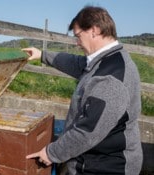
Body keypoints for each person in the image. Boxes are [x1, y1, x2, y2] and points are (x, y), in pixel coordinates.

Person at [23, 6, 143, 175]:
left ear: (94, 30)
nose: (77, 43)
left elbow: (87, 133)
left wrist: (52, 153)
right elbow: (75, 63)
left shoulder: (109, 80)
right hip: (98, 160)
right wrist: (42, 55)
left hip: (104, 167)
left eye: (78, 36)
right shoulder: (107, 60)